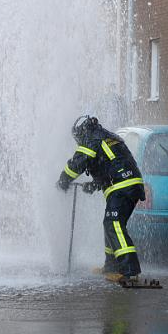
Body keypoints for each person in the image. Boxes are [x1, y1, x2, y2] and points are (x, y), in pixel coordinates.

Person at [57, 115, 145, 281]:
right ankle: (111, 266)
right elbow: (111, 164)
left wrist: (63, 181)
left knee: (114, 223)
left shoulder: (91, 139)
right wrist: (95, 184)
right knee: (110, 223)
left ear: (82, 132)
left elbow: (77, 164)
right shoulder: (107, 137)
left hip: (122, 186)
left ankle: (129, 271)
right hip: (128, 184)